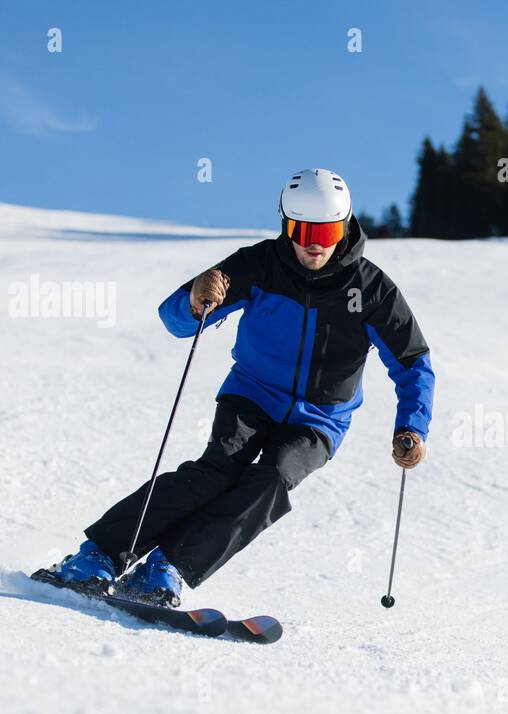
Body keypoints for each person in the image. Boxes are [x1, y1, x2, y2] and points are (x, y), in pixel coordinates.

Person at [49, 168, 434, 605]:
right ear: (285, 224)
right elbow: (174, 320)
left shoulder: (372, 290)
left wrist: (413, 428)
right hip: (251, 395)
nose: (313, 243)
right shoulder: (259, 265)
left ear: (344, 226)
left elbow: (413, 364)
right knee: (213, 473)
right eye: (301, 229)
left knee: (270, 483)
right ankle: (97, 556)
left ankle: (168, 568)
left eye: (326, 231)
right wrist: (195, 301)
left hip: (320, 419)